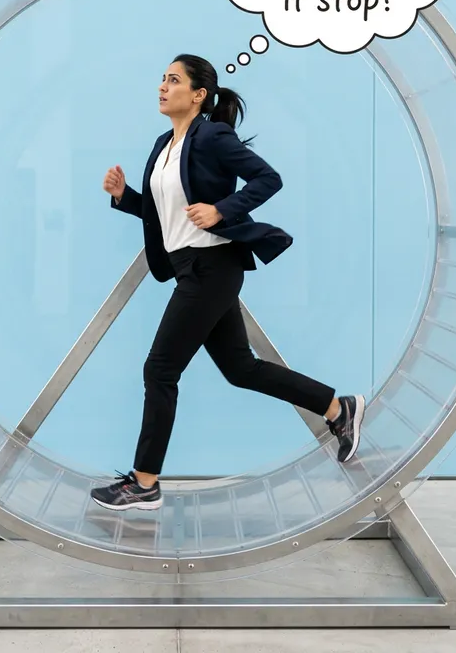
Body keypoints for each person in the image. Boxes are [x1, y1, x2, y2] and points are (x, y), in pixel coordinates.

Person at [90, 54, 365, 512]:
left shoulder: (213, 136)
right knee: (240, 369)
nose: (162, 87)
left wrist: (222, 210)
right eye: (162, 79)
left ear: (198, 94)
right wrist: (124, 197)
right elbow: (165, 215)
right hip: (189, 267)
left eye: (173, 80)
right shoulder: (163, 144)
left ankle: (144, 483)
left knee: (160, 370)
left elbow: (268, 179)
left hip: (212, 266)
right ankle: (339, 409)